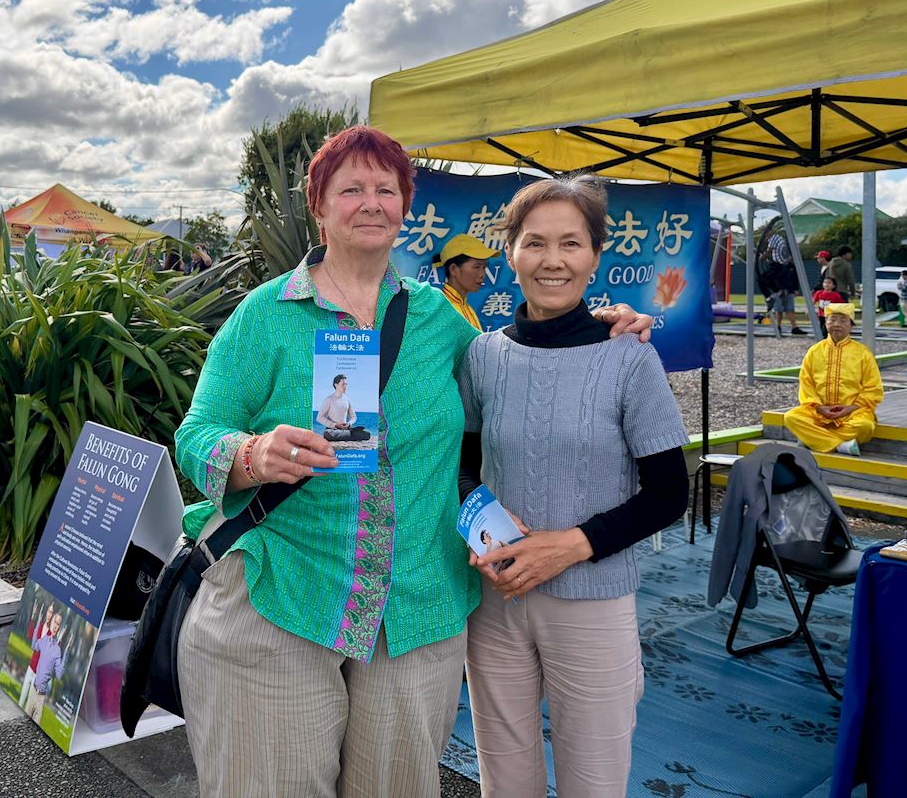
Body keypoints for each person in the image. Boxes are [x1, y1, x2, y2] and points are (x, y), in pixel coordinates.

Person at [172, 125, 651, 798]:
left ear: (404, 208)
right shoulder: (266, 315)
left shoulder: (438, 320)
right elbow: (195, 434)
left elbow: (516, 357)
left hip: (415, 608)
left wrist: (599, 323)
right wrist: (252, 453)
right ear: (319, 205)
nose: (371, 202)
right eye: (351, 189)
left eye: (386, 189)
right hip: (282, 593)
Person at [458, 176, 690, 798]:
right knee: (504, 778)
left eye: (571, 243)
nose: (552, 260)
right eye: (535, 243)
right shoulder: (483, 356)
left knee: (593, 781)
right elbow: (462, 467)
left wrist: (568, 547)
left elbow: (670, 493)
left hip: (593, 602)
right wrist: (490, 535)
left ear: (594, 256)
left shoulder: (629, 356)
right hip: (497, 599)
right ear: (510, 254)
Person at [783, 303, 883, 456]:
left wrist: (850, 408)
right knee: (791, 417)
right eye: (832, 319)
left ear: (851, 325)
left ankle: (813, 439)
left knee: (865, 426)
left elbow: (873, 389)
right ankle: (840, 445)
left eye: (843, 320)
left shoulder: (863, 353)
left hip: (852, 412)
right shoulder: (814, 351)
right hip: (819, 412)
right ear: (826, 322)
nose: (837, 324)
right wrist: (820, 407)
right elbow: (806, 384)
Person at [433, 234, 499, 330]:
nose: (482, 274)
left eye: (484, 267)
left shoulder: (467, 308)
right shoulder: (441, 309)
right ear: (454, 269)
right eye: (477, 267)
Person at [24, 611, 65, 722]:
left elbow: (59, 675)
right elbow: (34, 646)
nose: (55, 626)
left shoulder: (57, 650)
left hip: (41, 697)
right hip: (33, 691)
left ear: (59, 628)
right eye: (55, 622)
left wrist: (66, 652)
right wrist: (38, 622)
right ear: (51, 622)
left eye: (58, 624)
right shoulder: (44, 640)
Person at [767, 231, 805, 334]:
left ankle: (793, 327)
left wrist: (795, 289)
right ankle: (779, 326)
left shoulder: (791, 266)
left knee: (789, 309)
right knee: (779, 309)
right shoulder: (776, 265)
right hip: (780, 290)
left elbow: (795, 278)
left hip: (789, 289)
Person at [316, 374, 370, 441]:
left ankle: (347, 434)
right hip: (333, 429)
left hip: (345, 429)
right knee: (327, 434)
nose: (345, 386)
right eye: (343, 384)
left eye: (346, 384)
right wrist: (335, 425)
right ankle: (350, 434)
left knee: (367, 434)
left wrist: (349, 423)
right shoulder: (329, 399)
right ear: (336, 385)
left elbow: (353, 417)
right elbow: (319, 418)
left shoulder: (347, 400)